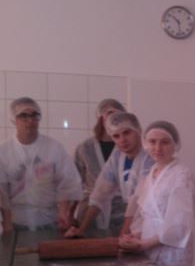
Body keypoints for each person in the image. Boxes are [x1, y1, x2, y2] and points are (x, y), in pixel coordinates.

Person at [119, 121, 195, 266]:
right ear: (145, 143)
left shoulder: (182, 176)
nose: (157, 148)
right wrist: (134, 236)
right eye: (152, 142)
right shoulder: (151, 174)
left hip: (172, 250)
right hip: (148, 245)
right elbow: (144, 213)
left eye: (164, 142)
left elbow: (179, 224)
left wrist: (144, 244)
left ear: (175, 145)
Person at [0, 97, 82, 232]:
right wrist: (7, 222)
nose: (30, 121)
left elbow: (68, 182)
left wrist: (63, 212)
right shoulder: (4, 151)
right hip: (16, 221)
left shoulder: (54, 148)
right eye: (24, 116)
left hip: (50, 219)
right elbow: (2, 190)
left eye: (34, 115)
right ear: (14, 119)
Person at [65, 111, 152, 238]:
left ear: (138, 131)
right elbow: (100, 194)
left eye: (127, 133)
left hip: (151, 223)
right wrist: (82, 229)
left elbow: (138, 199)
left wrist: (124, 232)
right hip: (134, 225)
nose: (122, 140)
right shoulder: (117, 156)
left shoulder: (150, 157)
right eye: (116, 136)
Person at [73, 98, 126, 232]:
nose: (113, 120)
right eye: (109, 114)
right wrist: (69, 213)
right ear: (101, 118)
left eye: (117, 116)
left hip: (122, 211)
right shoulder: (85, 148)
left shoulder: (127, 147)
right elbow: (75, 184)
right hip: (90, 210)